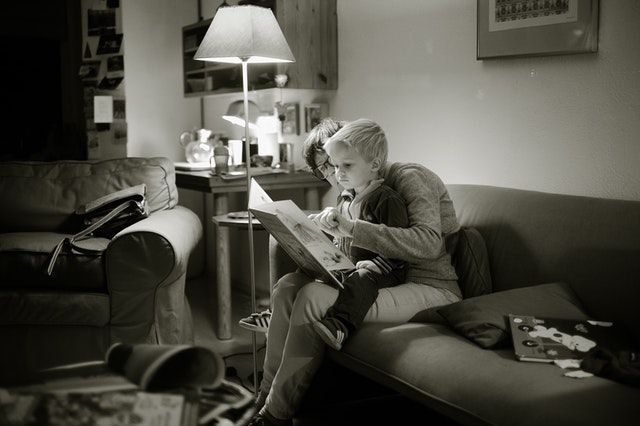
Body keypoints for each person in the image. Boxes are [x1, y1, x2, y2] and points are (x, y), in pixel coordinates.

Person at [247, 117, 462, 426]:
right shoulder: (353, 190)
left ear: (366, 157)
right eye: (327, 168)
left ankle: (275, 414)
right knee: (288, 285)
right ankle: (263, 397)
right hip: (381, 280)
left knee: (312, 297)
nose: (333, 175)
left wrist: (351, 229)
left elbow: (428, 244)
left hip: (428, 284)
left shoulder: (407, 178)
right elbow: (356, 249)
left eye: (334, 165)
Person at [311, 119, 409, 350]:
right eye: (336, 166)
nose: (339, 173)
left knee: (362, 278)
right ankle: (278, 311)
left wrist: (378, 265)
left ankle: (340, 325)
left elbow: (399, 244)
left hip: (385, 269)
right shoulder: (345, 198)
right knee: (312, 266)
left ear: (374, 164)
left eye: (347, 165)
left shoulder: (386, 199)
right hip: (351, 264)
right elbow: (343, 238)